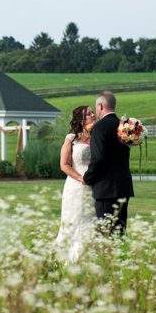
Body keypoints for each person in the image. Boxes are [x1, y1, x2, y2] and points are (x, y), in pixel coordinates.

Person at [83, 91, 134, 236]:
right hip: (123, 185)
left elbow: (99, 158)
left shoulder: (100, 127)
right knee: (119, 232)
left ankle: (107, 258)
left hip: (106, 188)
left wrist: (88, 177)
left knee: (105, 233)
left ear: (100, 106)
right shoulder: (124, 127)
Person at [55, 105, 97, 262]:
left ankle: (86, 258)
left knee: (89, 221)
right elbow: (64, 164)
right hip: (74, 186)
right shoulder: (71, 138)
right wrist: (80, 178)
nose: (93, 115)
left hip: (93, 187)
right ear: (81, 119)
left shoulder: (97, 137)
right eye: (89, 114)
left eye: (93, 112)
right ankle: (66, 259)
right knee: (72, 220)